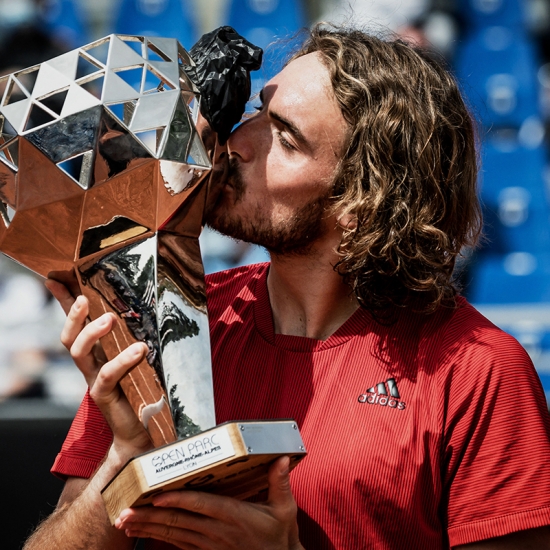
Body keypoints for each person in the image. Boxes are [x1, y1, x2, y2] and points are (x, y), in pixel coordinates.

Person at [24, 25, 550, 550]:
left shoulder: (477, 371)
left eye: (286, 137)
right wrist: (126, 456)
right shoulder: (161, 326)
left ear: (361, 202)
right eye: (256, 111)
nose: (238, 142)